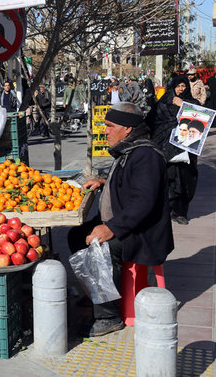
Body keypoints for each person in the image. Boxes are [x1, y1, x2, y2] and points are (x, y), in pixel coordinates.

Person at [68, 102, 174, 337]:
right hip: (127, 224)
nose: (105, 131)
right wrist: (103, 182)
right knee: (76, 236)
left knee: (99, 246)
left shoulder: (145, 155)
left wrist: (110, 228)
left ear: (127, 128)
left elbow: (143, 202)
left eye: (110, 126)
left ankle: (109, 316)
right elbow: (130, 182)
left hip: (143, 233)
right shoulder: (129, 148)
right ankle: (98, 295)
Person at [148, 75, 198, 225]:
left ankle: (179, 212)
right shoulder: (164, 102)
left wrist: (183, 105)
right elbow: (154, 121)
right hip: (165, 149)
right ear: (173, 87)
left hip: (185, 152)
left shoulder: (191, 103)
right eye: (179, 86)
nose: (181, 89)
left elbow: (200, 118)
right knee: (166, 180)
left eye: (184, 86)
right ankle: (164, 211)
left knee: (184, 180)